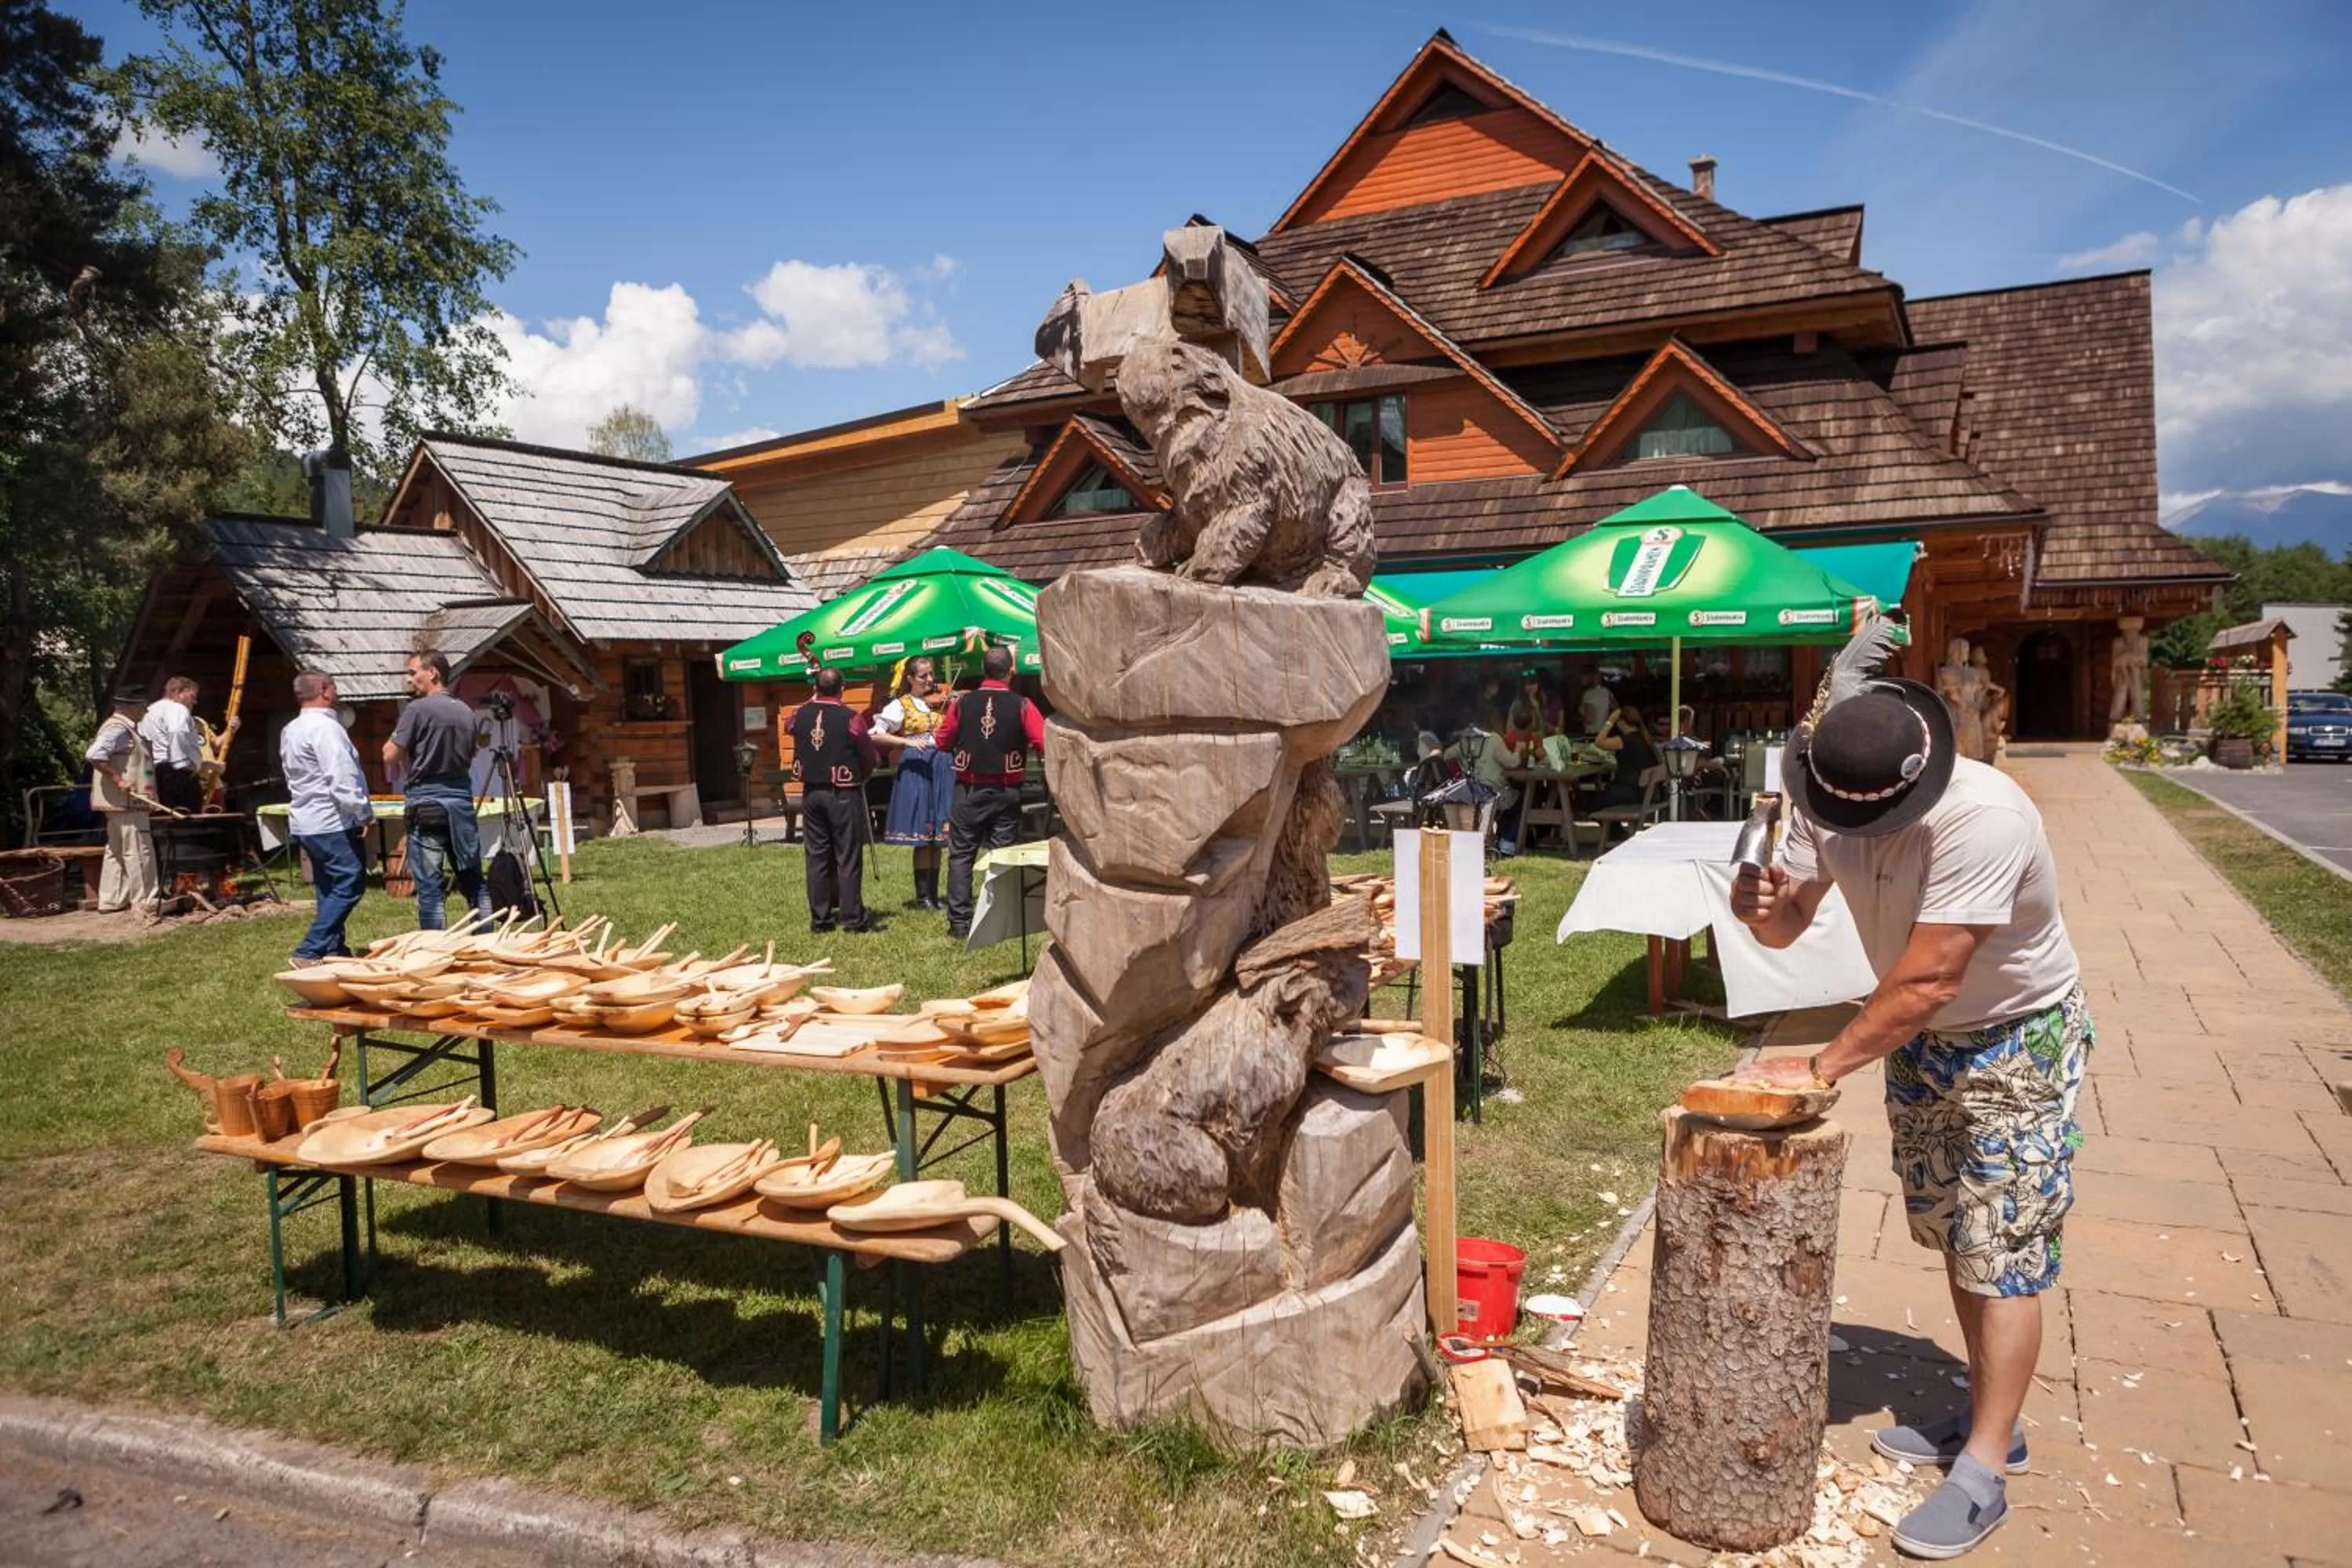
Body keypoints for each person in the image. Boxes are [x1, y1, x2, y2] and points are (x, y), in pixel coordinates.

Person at [1729, 634, 2088, 1561]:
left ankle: (1983, 1471)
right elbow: (1787, 922)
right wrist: (1759, 905)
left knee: (2002, 1243)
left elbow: (1931, 975)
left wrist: (1818, 1066)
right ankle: (1989, 1414)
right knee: (1951, 1227)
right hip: (1920, 1036)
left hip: (2015, 1033)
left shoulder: (1986, 817)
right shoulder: (1831, 790)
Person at [938, 644, 1046, 939]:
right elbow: (1043, 741)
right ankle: (997, 919)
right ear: (1012, 671)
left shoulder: (962, 704)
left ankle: (959, 922)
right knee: (1002, 853)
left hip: (969, 788)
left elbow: (943, 741)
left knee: (961, 854)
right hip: (1005, 788)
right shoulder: (1023, 705)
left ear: (984, 670)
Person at [384, 650, 488, 930]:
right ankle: (488, 941)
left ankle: (435, 951)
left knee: (430, 888)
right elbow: (471, 754)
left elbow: (389, 755)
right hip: (459, 803)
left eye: (413, 672)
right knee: (473, 880)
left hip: (426, 802)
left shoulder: (416, 710)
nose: (409, 680)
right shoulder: (466, 711)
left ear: (433, 673)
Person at [280, 670, 372, 964]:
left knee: (328, 885)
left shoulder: (290, 729)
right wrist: (363, 812)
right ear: (324, 690)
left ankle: (334, 949)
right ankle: (310, 949)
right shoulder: (326, 729)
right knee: (351, 881)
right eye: (334, 686)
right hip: (330, 819)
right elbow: (341, 778)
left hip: (306, 818)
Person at [789, 666, 879, 933]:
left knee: (816, 856)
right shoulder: (850, 718)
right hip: (842, 792)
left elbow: (790, 724)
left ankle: (821, 919)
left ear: (816, 688)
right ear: (843, 688)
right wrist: (862, 776)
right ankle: (853, 919)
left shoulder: (800, 714)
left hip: (811, 793)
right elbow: (868, 755)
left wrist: (812, 699)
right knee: (848, 856)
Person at [870, 656, 953, 910]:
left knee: (938, 833)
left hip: (941, 767)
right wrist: (906, 742)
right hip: (917, 767)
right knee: (922, 832)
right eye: (923, 676)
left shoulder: (941, 702)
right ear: (910, 679)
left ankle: (934, 893)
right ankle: (922, 896)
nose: (930, 679)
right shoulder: (900, 705)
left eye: (931, 674)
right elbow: (875, 733)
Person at [85, 686, 160, 913]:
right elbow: (94, 755)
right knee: (138, 849)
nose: (145, 711)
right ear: (129, 706)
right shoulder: (118, 729)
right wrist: (118, 780)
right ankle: (145, 900)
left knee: (116, 851)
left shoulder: (125, 729)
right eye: (142, 706)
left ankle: (112, 899)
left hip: (123, 804)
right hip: (126, 803)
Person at [140, 676, 205, 812]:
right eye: (192, 696)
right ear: (177, 692)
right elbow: (177, 732)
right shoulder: (177, 709)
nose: (195, 702)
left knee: (165, 816)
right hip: (176, 774)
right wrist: (182, 764)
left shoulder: (151, 710)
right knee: (187, 818)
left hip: (156, 771)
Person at [1593, 704, 1659, 808]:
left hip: (1629, 792)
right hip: (1643, 792)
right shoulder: (1644, 738)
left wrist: (1610, 721)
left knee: (1592, 805)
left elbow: (1598, 742)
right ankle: (1613, 825)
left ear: (1621, 722)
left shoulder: (1625, 740)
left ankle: (1612, 824)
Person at [1577, 666, 1616, 735]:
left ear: (1590, 677)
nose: (1580, 679)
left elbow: (1590, 719)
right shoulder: (1606, 691)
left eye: (1583, 677)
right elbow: (1616, 710)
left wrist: (1578, 718)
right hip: (1605, 734)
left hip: (1591, 735)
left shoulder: (1589, 694)